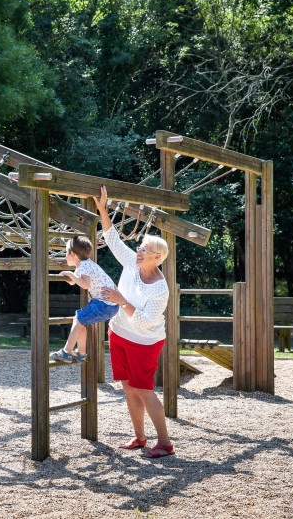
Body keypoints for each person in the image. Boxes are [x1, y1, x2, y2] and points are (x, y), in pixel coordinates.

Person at [94, 185, 173, 458]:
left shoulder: (160, 289)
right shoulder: (132, 264)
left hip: (145, 341)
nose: (138, 252)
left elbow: (144, 323)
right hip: (118, 333)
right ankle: (140, 437)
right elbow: (113, 240)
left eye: (144, 251)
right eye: (139, 248)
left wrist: (120, 300)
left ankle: (164, 442)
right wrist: (103, 209)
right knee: (127, 386)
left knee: (143, 388)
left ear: (157, 257)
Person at [49, 235, 119, 363]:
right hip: (110, 305)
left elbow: (85, 284)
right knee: (81, 321)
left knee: (78, 318)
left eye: (66, 253)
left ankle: (66, 351)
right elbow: (74, 282)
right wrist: (70, 276)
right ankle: (81, 354)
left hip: (103, 304)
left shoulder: (84, 265)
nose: (65, 256)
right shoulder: (85, 265)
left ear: (73, 254)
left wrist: (70, 274)